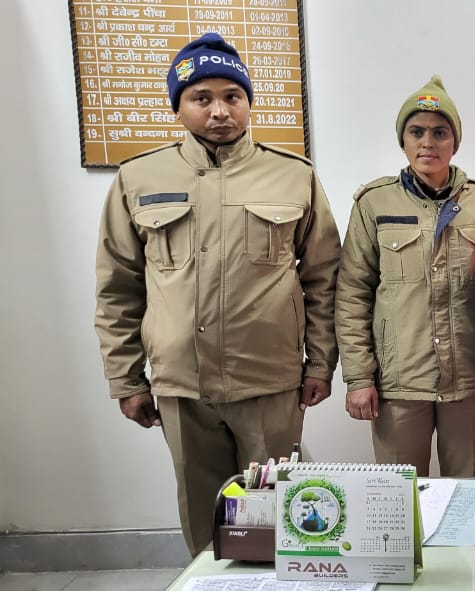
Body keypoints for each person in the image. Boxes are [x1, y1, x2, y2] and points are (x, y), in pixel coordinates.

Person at [94, 33, 340, 556]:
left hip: (269, 379)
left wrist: (320, 364)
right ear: (178, 107)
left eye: (233, 96)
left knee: (278, 514)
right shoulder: (138, 178)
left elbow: (324, 278)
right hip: (183, 383)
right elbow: (117, 288)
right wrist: (126, 378)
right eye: (201, 98)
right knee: (205, 519)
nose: (220, 111)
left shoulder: (293, 175)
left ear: (249, 101)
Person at [336, 76, 475, 477]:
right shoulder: (374, 203)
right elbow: (352, 294)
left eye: (440, 132)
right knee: (399, 497)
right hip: (399, 382)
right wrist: (358, 377)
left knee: (466, 494)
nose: (428, 142)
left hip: (471, 379)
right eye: (417, 132)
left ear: (455, 141)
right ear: (403, 140)